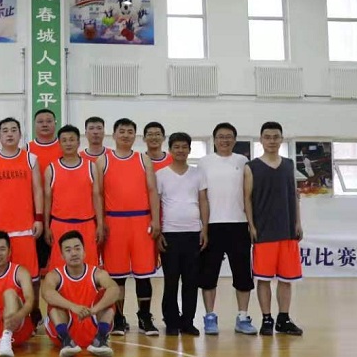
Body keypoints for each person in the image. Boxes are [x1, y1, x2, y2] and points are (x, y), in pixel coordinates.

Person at [197, 123, 257, 335]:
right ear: (214, 140)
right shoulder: (204, 163)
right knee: (208, 275)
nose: (225, 140)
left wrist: (251, 224)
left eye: (229, 136)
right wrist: (203, 227)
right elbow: (201, 197)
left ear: (235, 139)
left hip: (239, 225)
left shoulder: (243, 161)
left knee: (242, 275)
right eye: (221, 137)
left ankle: (243, 317)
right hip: (212, 226)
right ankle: (209, 317)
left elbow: (249, 196)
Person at [102, 118, 161, 336]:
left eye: (130, 131)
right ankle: (118, 318)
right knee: (116, 276)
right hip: (114, 222)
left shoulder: (143, 159)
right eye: (122, 131)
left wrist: (155, 220)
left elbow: (153, 191)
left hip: (141, 221)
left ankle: (144, 317)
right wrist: (101, 222)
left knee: (143, 274)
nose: (126, 135)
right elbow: (97, 194)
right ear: (114, 135)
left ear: (135, 136)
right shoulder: (103, 161)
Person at [244, 122, 304, 336]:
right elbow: (247, 199)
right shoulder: (251, 167)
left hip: (287, 229)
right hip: (264, 230)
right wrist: (251, 225)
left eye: (275, 137)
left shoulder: (289, 164)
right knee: (263, 278)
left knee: (287, 279)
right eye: (267, 137)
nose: (271, 141)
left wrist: (298, 222)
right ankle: (267, 318)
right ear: (261, 140)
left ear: (281, 139)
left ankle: (283, 318)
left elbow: (294, 196)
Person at [0, 117, 43, 293]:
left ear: (20, 134)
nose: (9, 134)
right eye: (5, 131)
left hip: (25, 228)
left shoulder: (31, 159)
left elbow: (38, 190)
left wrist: (38, 218)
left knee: (30, 278)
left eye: (14, 130)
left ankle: (32, 308)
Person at [156, 133, 209, 336]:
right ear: (170, 150)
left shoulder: (198, 174)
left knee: (191, 281)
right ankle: (171, 321)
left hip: (193, 233)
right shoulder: (161, 174)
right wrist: (158, 231)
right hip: (169, 233)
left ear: (189, 150)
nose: (180, 150)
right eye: (176, 147)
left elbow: (203, 201)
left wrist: (205, 229)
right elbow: (156, 204)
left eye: (184, 147)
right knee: (171, 280)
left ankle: (188, 321)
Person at [39, 231, 120, 357]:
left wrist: (95, 310)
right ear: (62, 256)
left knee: (108, 295)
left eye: (77, 248)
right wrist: (73, 307)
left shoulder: (97, 273)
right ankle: (66, 341)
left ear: (84, 252)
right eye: (68, 250)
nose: (74, 253)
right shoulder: (55, 275)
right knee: (54, 302)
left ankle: (100, 340)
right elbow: (46, 293)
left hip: (92, 325)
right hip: (65, 326)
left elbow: (115, 290)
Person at [43, 124, 103, 271]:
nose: (68, 143)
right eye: (64, 140)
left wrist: (100, 224)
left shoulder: (91, 167)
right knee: (59, 270)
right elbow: (47, 201)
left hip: (87, 225)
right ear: (59, 143)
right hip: (59, 225)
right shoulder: (51, 169)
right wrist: (46, 226)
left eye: (71, 139)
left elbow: (96, 196)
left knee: (89, 268)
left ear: (78, 142)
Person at [28, 108, 63, 276]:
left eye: (49, 121)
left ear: (55, 124)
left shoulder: (65, 146)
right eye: (40, 121)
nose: (45, 124)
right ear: (34, 124)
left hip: (59, 212)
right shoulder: (26, 149)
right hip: (33, 212)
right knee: (37, 260)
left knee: (58, 259)